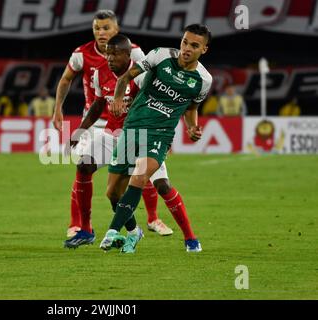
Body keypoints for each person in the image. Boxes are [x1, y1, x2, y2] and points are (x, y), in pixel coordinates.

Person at [53, 9, 170, 238]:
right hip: (96, 121)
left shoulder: (133, 51)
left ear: (116, 29)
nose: (101, 32)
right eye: (97, 28)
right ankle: (78, 224)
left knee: (142, 169)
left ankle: (153, 218)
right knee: (83, 169)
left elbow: (148, 81)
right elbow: (66, 79)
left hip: (129, 121)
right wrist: (58, 108)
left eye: (106, 28)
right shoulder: (81, 54)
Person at [99, 24, 213, 254]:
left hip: (160, 134)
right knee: (112, 193)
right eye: (184, 42)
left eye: (194, 45)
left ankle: (112, 232)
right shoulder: (161, 55)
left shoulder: (203, 80)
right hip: (133, 127)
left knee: (141, 177)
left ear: (204, 49)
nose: (186, 48)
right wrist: (119, 99)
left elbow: (191, 108)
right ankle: (133, 233)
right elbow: (124, 78)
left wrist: (192, 127)